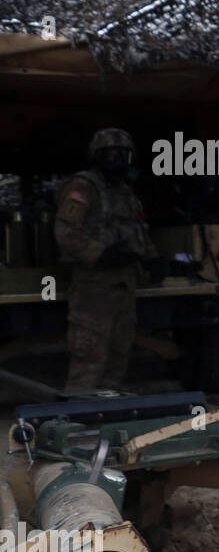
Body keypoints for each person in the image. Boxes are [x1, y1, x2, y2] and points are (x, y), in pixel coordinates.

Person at [54, 128, 162, 392]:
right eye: (110, 155)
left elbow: (139, 230)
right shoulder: (83, 187)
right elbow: (65, 232)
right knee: (89, 355)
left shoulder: (125, 193)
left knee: (119, 353)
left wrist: (153, 259)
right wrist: (100, 253)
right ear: (96, 157)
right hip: (94, 287)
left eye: (122, 155)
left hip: (125, 285)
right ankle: (78, 417)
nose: (116, 160)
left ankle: (106, 410)